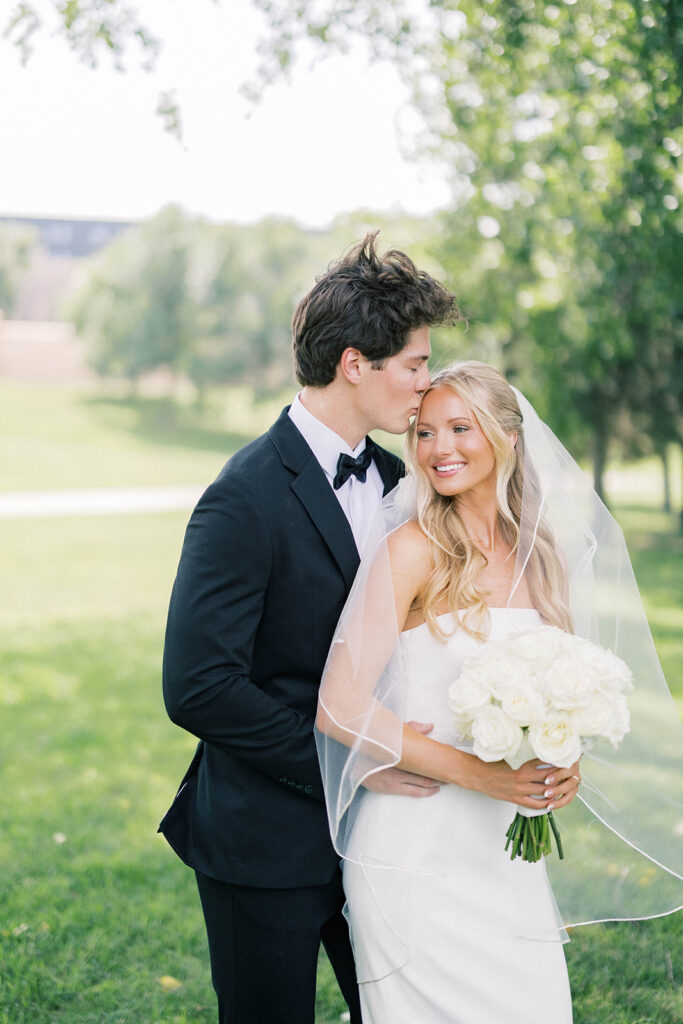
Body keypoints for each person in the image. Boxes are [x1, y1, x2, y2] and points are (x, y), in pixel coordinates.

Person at [316, 361, 683, 1023]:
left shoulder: (540, 556)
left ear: (508, 437)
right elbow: (339, 702)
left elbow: (558, 684)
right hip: (413, 851)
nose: (438, 449)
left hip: (505, 851)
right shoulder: (412, 551)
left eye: (460, 428)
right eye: (424, 433)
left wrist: (559, 759)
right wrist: (475, 774)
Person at [158, 232, 465, 1024]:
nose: (425, 386)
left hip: (389, 837)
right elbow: (199, 687)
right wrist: (346, 763)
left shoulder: (401, 480)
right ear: (354, 364)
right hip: (265, 842)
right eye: (413, 364)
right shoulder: (244, 497)